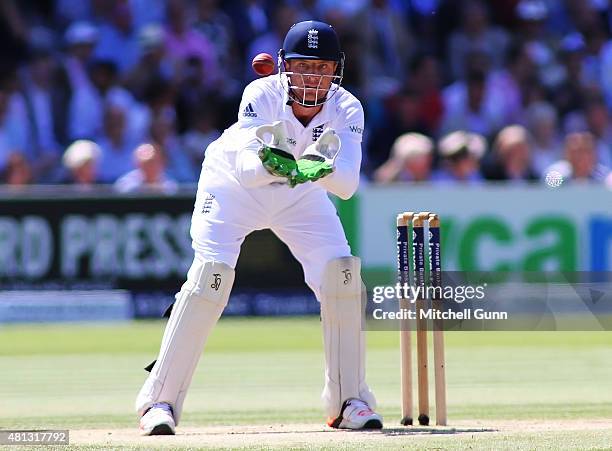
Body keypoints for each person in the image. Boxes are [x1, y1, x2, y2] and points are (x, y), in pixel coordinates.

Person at [136, 20, 382, 436]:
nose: (312, 78)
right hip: (232, 189)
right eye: (304, 67)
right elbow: (250, 172)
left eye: (321, 68)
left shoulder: (348, 107)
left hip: (300, 194)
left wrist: (313, 168)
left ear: (336, 70)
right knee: (210, 278)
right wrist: (276, 161)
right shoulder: (260, 93)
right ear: (284, 66)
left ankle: (348, 401)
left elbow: (347, 184)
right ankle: (158, 403)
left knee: (342, 276)